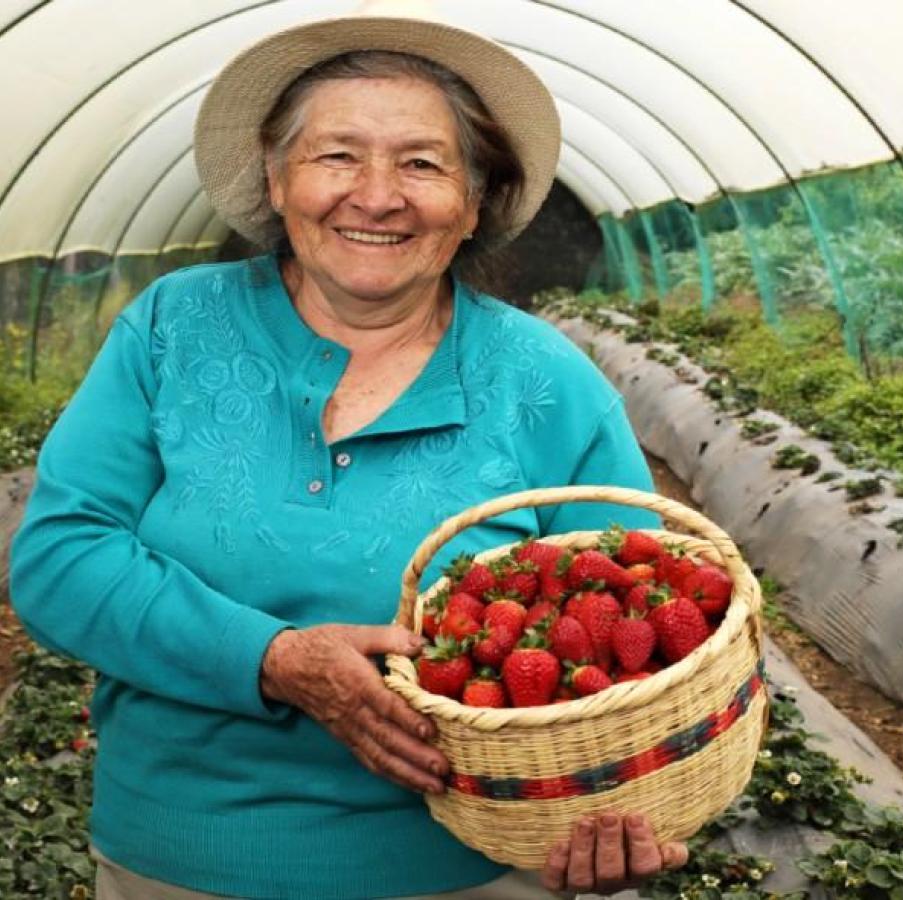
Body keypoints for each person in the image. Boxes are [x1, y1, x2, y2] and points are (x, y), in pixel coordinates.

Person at [9, 5, 687, 898]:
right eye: (337, 155)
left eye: (421, 163)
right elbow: (61, 557)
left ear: (474, 201)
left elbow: (647, 639)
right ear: (276, 178)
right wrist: (274, 659)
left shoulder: (546, 381)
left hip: (474, 868)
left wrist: (629, 809)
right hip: (184, 859)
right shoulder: (175, 328)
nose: (376, 195)